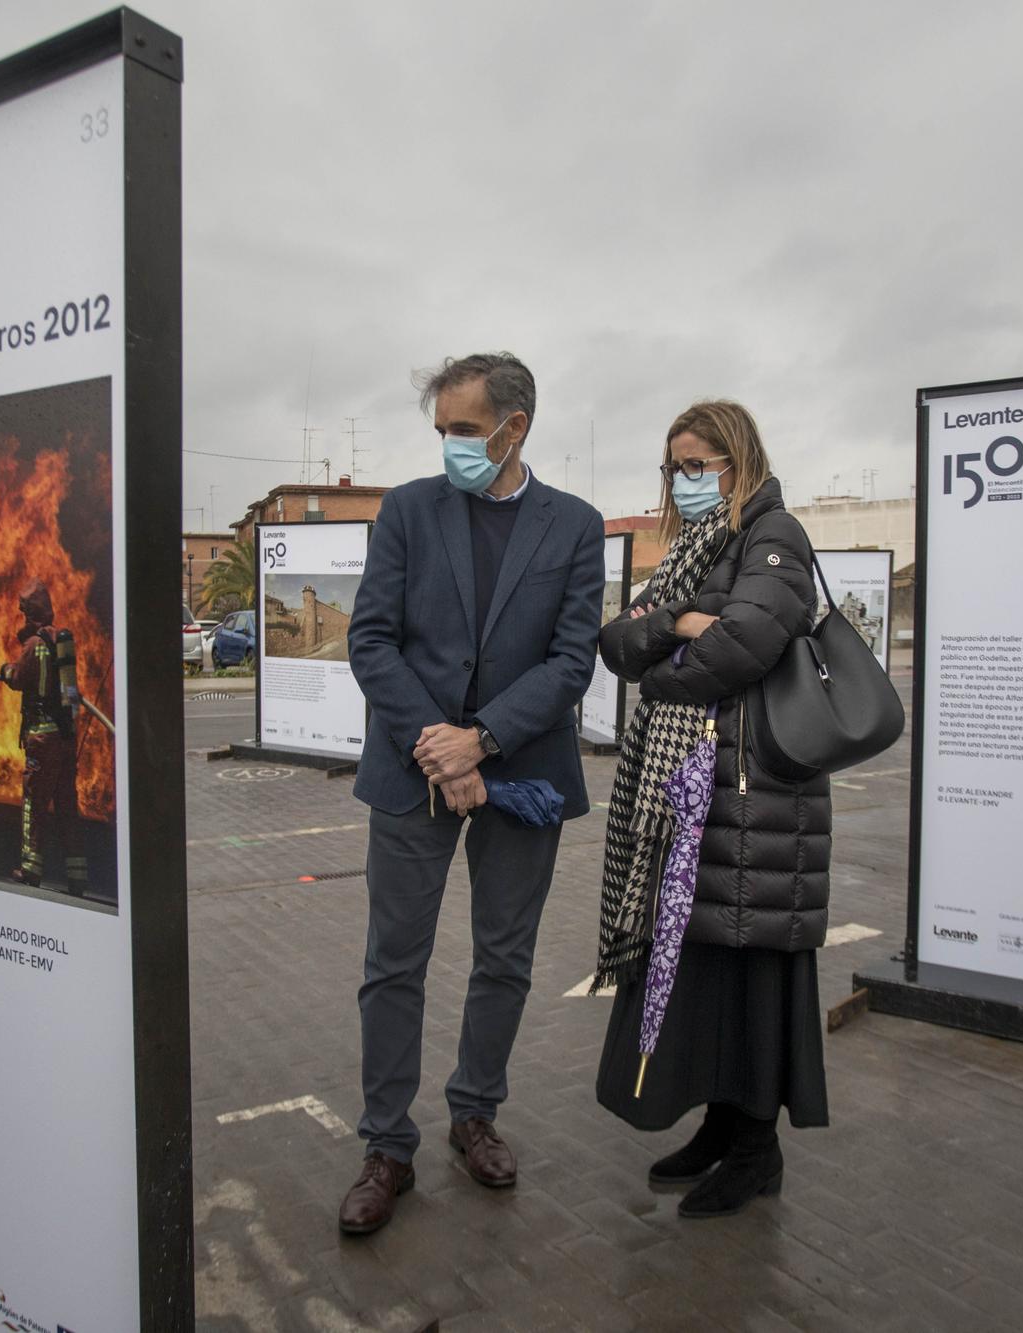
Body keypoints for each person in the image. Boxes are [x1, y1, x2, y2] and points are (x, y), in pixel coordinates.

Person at [339, 352, 604, 1235]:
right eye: (442, 430)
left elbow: (571, 661)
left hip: (522, 773)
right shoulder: (409, 510)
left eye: (462, 428)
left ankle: (475, 1112)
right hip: (414, 770)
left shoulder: (573, 526)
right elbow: (371, 640)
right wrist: (442, 751)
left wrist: (483, 739)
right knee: (394, 963)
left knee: (505, 957)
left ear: (512, 426)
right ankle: (387, 1146)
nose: (449, 444)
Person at [592, 400, 830, 1220]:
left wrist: (665, 663)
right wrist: (675, 622)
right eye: (675, 467)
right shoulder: (698, 548)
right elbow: (615, 640)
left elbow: (743, 645)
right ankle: (723, 1126)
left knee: (753, 973)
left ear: (738, 461)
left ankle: (758, 1150)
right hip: (704, 794)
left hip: (757, 798)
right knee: (707, 967)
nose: (684, 480)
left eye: (698, 465)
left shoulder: (775, 535)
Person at [0, 580, 88, 894]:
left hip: (42, 739)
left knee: (34, 804)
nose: (22, 617)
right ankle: (77, 876)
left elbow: (20, 678)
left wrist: (4, 670)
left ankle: (30, 869)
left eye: (24, 612)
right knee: (66, 807)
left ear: (31, 612)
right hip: (65, 738)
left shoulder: (34, 645)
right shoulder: (60, 642)